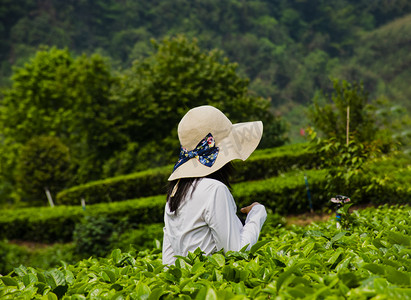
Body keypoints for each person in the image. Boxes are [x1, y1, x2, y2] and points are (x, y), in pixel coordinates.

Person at [162, 105, 267, 265]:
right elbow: (237, 252)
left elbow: (168, 262)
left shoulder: (175, 194)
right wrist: (257, 214)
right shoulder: (214, 190)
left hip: (186, 287)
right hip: (216, 286)